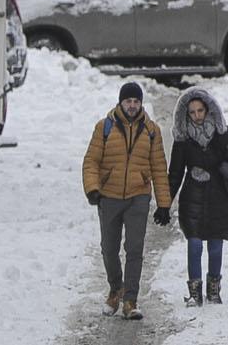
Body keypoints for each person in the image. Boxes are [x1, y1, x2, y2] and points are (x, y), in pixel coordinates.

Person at [81, 78, 172, 321]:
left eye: (136, 101)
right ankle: (115, 289)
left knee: (134, 249)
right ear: (120, 103)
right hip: (108, 196)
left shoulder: (152, 131)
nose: (132, 105)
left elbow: (159, 168)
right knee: (108, 249)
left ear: (141, 104)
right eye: (128, 101)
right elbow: (91, 161)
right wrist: (93, 189)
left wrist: (164, 204)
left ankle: (130, 300)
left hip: (138, 197)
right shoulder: (105, 127)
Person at [168, 86, 228, 305]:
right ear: (186, 114)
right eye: (192, 112)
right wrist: (165, 203)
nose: (196, 116)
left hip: (218, 197)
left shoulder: (222, 132)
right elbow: (175, 173)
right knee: (194, 245)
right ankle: (195, 292)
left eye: (200, 111)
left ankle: (213, 290)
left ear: (208, 109)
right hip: (192, 198)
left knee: (215, 246)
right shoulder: (183, 139)